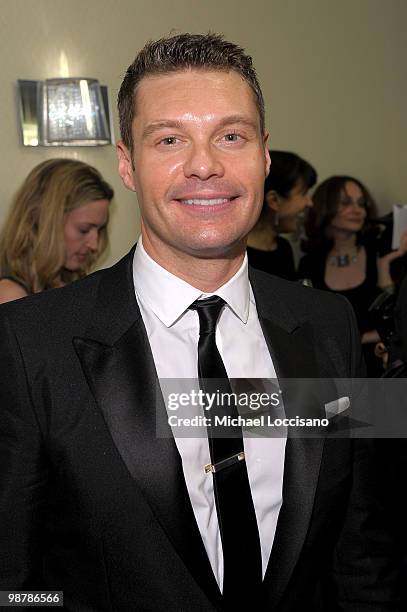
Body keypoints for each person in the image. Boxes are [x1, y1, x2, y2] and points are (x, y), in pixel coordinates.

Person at [0, 34, 400, 611]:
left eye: (230, 136)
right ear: (127, 164)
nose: (205, 166)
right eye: (169, 140)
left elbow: (362, 550)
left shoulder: (328, 323)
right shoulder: (28, 341)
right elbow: (14, 579)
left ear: (263, 154)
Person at [299, 175, 407, 375]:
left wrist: (384, 271)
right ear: (325, 208)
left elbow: (396, 322)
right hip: (332, 370)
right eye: (346, 203)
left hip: (377, 364)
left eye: (361, 203)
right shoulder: (310, 263)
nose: (358, 210)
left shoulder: (380, 250)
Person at [0, 158, 113, 303]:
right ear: (44, 221)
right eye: (83, 230)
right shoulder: (10, 295)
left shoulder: (70, 283)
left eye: (100, 229)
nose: (94, 245)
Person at [247, 150, 316, 280]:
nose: (309, 203)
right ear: (274, 200)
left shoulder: (283, 248)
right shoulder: (236, 256)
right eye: (303, 193)